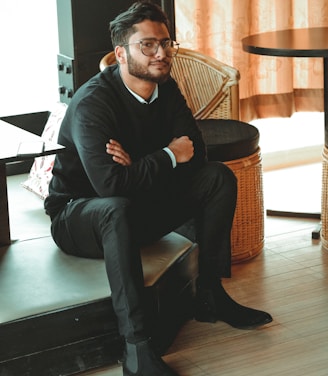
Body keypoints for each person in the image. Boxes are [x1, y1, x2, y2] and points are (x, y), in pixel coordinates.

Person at [45, 1, 272, 375]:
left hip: (138, 202)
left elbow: (196, 155)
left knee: (218, 178)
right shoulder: (92, 104)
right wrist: (167, 154)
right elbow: (108, 185)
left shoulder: (165, 88)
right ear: (121, 53)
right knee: (115, 206)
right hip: (79, 215)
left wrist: (139, 162)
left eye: (166, 43)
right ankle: (137, 348)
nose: (161, 53)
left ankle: (211, 295)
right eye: (148, 45)